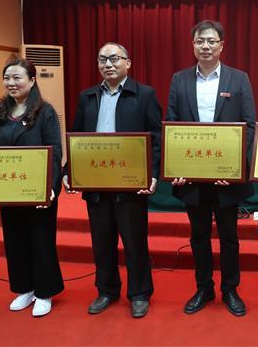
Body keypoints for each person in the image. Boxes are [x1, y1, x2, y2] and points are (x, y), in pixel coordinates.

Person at [63, 42, 161, 318]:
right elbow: (77, 137)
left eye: (114, 58)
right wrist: (69, 171)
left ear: (127, 63)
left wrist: (153, 174)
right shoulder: (87, 97)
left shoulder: (144, 95)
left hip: (130, 183)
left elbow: (156, 139)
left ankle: (139, 293)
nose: (108, 64)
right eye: (102, 59)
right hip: (96, 181)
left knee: (134, 242)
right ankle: (106, 290)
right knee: (102, 241)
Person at [166, 20, 256, 317]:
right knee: (199, 236)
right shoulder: (179, 80)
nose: (205, 46)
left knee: (229, 236)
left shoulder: (239, 79)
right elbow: (172, 125)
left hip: (226, 177)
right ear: (193, 45)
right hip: (193, 176)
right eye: (200, 41)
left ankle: (230, 289)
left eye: (211, 41)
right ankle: (204, 287)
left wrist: (234, 167)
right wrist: (177, 165)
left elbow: (249, 126)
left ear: (221, 46)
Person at [0, 58, 64, 317]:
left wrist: (51, 187)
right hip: (7, 189)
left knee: (41, 240)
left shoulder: (45, 112)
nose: (11, 83)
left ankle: (45, 292)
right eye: (7, 78)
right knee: (15, 240)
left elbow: (55, 152)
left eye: (17, 77)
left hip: (37, 191)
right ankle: (25, 288)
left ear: (32, 80)